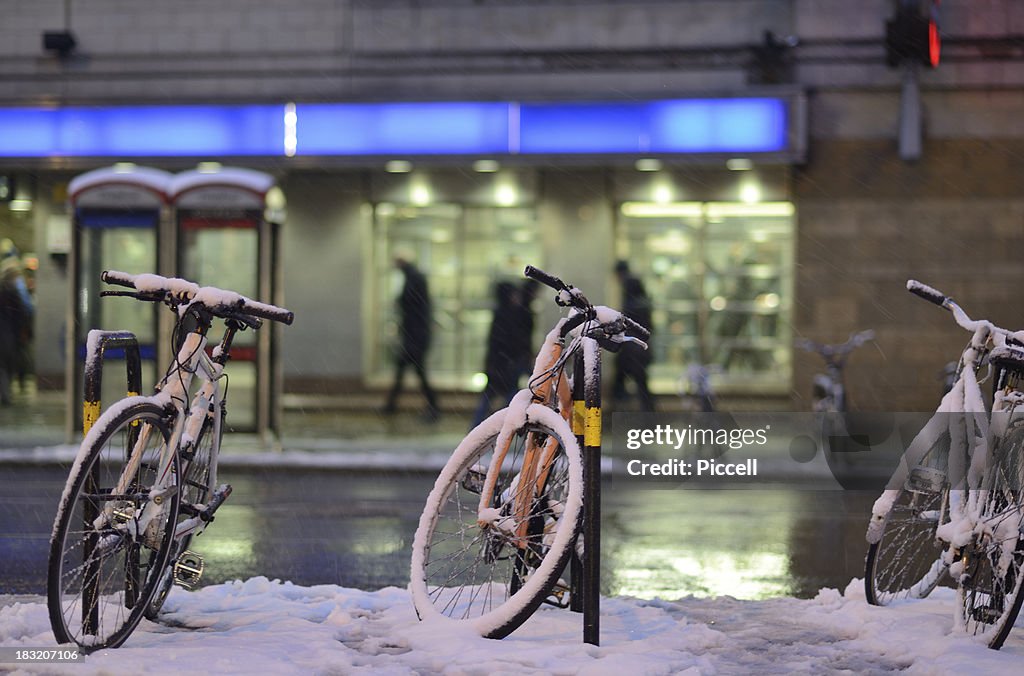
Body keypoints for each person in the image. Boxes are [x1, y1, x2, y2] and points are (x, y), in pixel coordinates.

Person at [382, 254, 440, 421]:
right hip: (415, 336)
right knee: (412, 372)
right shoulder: (414, 278)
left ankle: (431, 406)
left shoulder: (413, 279)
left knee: (415, 373)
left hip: (415, 337)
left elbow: (411, 304)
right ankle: (392, 405)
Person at [470, 281, 522, 428]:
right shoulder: (509, 315)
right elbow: (504, 342)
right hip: (504, 363)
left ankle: (477, 429)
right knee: (510, 397)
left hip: (499, 363)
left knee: (490, 398)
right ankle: (507, 426)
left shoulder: (502, 313)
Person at [612, 260, 655, 412]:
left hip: (630, 349)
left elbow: (624, 325)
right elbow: (650, 327)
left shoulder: (630, 303)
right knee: (641, 384)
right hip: (640, 348)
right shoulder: (643, 302)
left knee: (621, 384)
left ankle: (615, 416)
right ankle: (648, 414)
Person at [0, 257, 30, 405]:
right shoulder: (13, 293)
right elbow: (22, 314)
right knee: (7, 365)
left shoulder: (10, 293)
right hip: (9, 336)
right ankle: (5, 394)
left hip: (9, 335)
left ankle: (5, 393)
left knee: (5, 366)